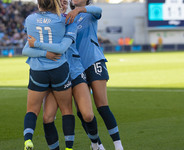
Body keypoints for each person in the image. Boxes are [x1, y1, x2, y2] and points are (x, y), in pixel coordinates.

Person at [23, 0, 105, 149]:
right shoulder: (53, 21)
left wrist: (80, 10)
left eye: (65, 2)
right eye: (60, 1)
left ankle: (96, 144)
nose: (63, 4)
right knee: (48, 117)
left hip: (74, 71)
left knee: (87, 115)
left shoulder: (69, 19)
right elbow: (26, 48)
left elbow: (98, 10)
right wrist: (45, 53)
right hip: (58, 73)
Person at [65, 0, 124, 149]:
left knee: (102, 105)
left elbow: (98, 10)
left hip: (93, 61)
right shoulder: (66, 17)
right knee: (82, 111)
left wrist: (79, 10)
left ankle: (118, 146)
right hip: (77, 67)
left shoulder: (90, 12)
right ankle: (97, 145)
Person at [22, 0, 77, 150]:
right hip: (59, 70)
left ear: (39, 4)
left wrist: (41, 51)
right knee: (66, 110)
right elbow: (61, 48)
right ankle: (69, 148)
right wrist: (48, 52)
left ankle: (28, 140)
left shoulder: (30, 19)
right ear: (56, 4)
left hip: (38, 71)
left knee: (33, 110)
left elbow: (26, 49)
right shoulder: (64, 20)